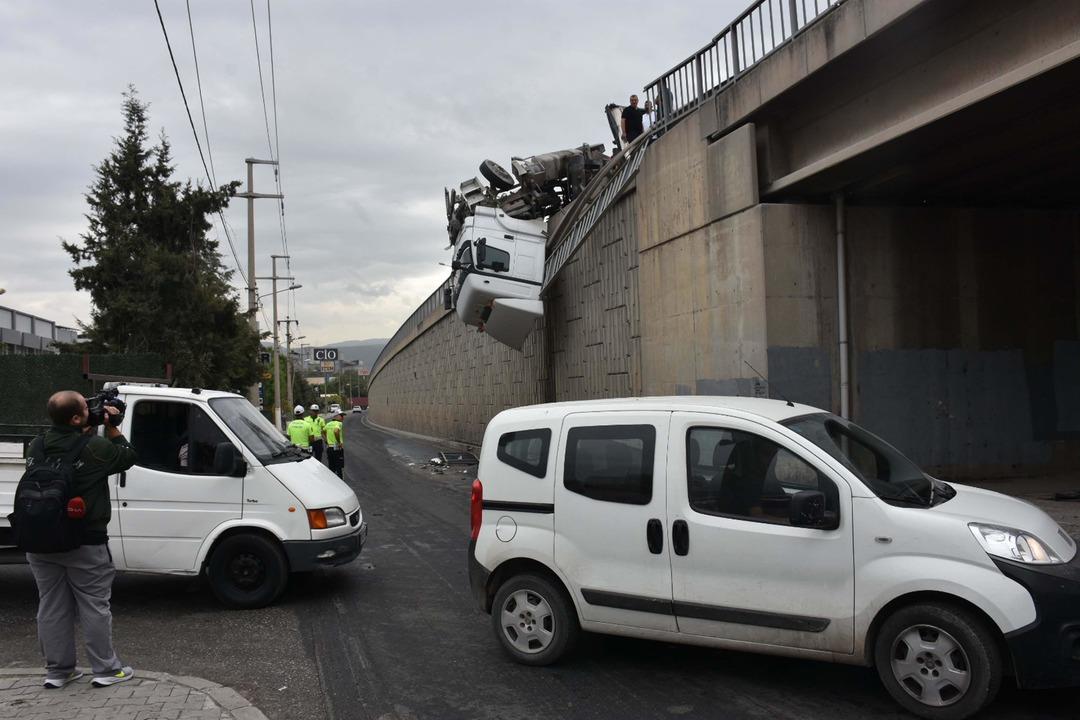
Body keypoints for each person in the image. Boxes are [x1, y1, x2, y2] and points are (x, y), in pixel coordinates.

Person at [26, 391, 137, 689]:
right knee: (94, 605)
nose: (91, 410)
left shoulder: (36, 445)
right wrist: (113, 426)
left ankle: (58, 672)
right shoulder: (95, 446)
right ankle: (106, 670)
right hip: (84, 540)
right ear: (76, 418)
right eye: (85, 408)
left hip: (40, 539)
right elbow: (127, 457)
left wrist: (85, 428)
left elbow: (67, 451)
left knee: (51, 605)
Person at [325, 412, 346, 478]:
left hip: (329, 448)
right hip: (337, 448)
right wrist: (339, 442)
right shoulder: (339, 423)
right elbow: (336, 431)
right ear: (336, 416)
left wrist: (326, 440)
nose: (343, 418)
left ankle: (332, 481)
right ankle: (340, 482)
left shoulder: (328, 424)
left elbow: (322, 431)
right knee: (339, 466)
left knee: (331, 467)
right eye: (341, 416)